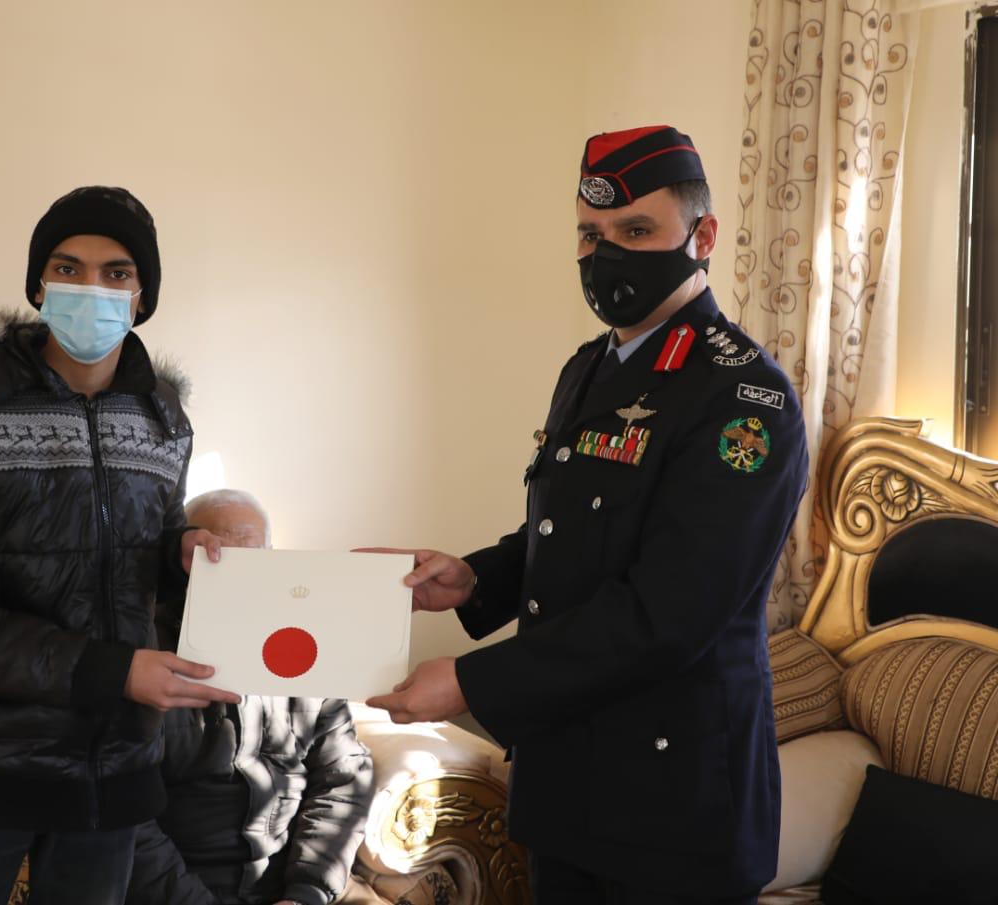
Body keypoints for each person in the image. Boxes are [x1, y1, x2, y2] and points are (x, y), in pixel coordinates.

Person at [366, 126, 809, 904]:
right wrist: (474, 579)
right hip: (568, 781)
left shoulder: (744, 398)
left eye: (636, 231)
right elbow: (574, 533)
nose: (606, 255)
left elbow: (670, 611)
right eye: (590, 234)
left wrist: (470, 679)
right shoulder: (590, 366)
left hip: (675, 802)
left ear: (703, 237)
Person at [0, 186, 240, 905]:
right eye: (68, 267)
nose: (91, 287)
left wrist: (181, 553)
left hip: (111, 770)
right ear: (38, 286)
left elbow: (133, 557)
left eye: (117, 272)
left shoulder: (165, 422)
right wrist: (115, 672)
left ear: (141, 297)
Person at [131, 489, 375, 905]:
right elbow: (125, 811)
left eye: (255, 562)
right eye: (220, 560)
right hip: (179, 886)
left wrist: (306, 893)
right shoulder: (145, 658)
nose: (240, 580)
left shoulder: (305, 651)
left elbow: (343, 776)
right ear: (184, 563)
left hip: (292, 883)